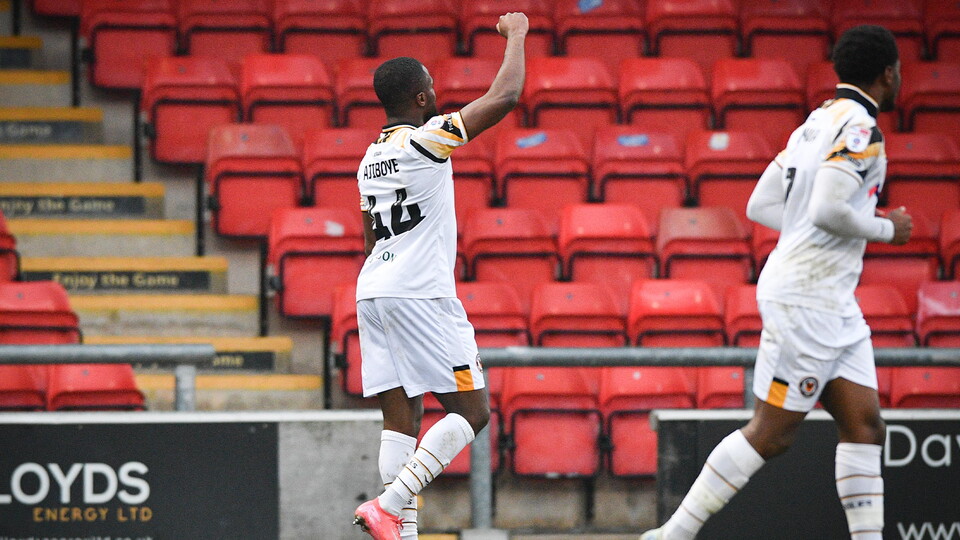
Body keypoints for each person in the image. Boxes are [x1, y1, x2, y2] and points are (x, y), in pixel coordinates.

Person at [641, 25, 912, 540]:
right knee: (772, 432)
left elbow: (760, 204)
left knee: (865, 425)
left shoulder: (814, 124)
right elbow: (830, 208)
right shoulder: (860, 131)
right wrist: (886, 229)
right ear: (889, 73)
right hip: (808, 298)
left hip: (831, 300)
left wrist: (809, 232)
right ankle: (671, 535)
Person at [351, 12, 528, 540]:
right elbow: (505, 98)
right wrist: (516, 35)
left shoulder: (369, 159)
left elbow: (369, 240)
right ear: (423, 98)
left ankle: (398, 532)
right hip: (419, 292)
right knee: (473, 413)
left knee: (400, 422)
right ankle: (390, 504)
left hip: (373, 289)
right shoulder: (425, 140)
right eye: (433, 86)